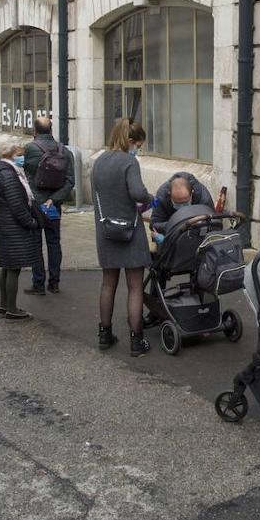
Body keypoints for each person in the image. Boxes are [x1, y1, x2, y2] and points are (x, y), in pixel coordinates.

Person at [91, 118, 153, 356]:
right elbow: (137, 192)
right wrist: (149, 198)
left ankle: (105, 334)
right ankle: (137, 341)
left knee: (108, 283)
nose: (138, 148)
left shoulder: (99, 162)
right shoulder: (129, 162)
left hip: (105, 231)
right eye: (138, 143)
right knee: (135, 286)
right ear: (129, 141)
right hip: (130, 231)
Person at [0, 135, 43, 320]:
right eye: (19, 151)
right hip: (13, 227)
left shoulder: (2, 171)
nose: (22, 154)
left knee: (8, 267)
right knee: (13, 268)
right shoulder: (8, 174)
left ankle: (4, 306)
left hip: (5, 224)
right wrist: (32, 223)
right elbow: (17, 205)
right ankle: (11, 308)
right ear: (11, 152)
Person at [22, 117, 76, 296]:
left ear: (35, 131)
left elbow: (28, 174)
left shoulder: (30, 148)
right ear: (52, 130)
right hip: (53, 206)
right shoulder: (64, 150)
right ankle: (54, 283)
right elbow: (70, 181)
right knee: (54, 242)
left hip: (36, 204)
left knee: (36, 243)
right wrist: (54, 199)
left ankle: (38, 284)